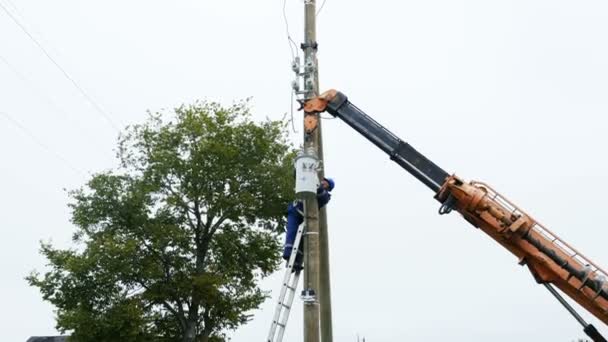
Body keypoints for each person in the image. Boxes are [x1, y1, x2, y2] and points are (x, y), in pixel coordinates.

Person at [283, 177, 335, 271]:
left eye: (326, 182)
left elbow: (321, 194)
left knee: (303, 240)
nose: (323, 182)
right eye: (323, 181)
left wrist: (316, 184)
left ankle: (297, 262)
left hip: (305, 217)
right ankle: (289, 256)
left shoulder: (326, 196)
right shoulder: (309, 185)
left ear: (329, 187)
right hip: (295, 211)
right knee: (292, 232)